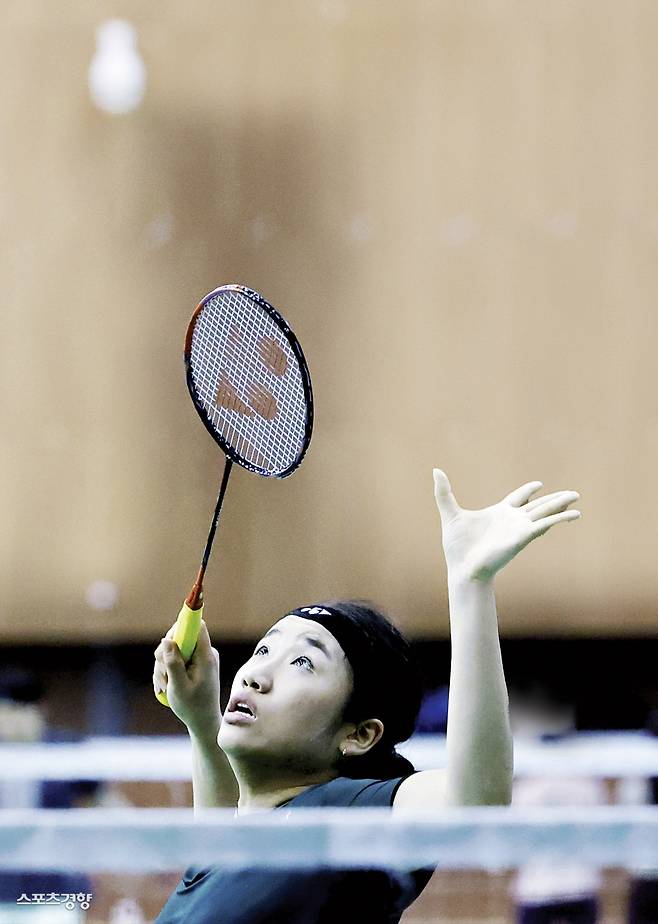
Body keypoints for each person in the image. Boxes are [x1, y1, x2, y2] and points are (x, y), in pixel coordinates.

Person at [152, 468, 581, 923]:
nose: (255, 676)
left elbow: (474, 801)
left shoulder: (347, 815)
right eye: (264, 649)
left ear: (359, 734)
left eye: (303, 662)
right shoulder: (232, 846)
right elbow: (222, 834)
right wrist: (201, 721)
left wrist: (471, 584)